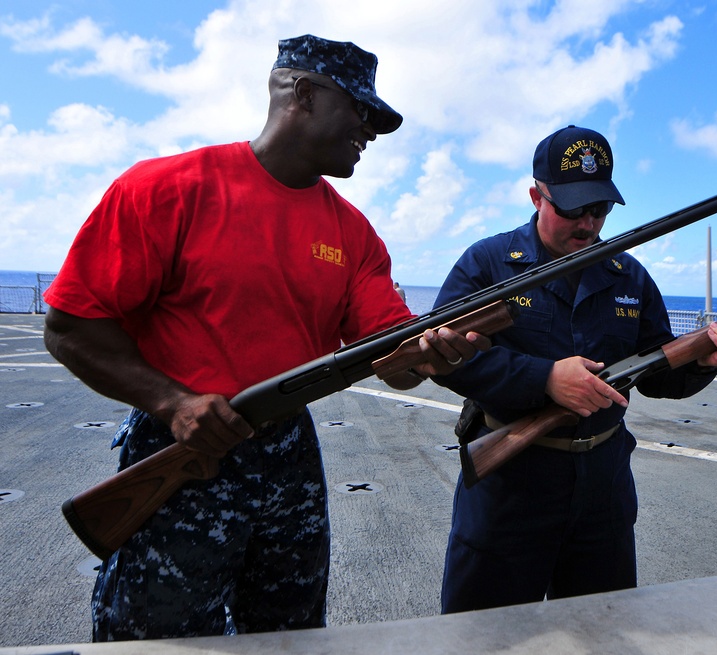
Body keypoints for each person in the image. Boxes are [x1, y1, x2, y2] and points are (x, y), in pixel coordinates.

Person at [43, 35, 489, 641]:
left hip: (288, 451)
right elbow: (70, 327)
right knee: (157, 638)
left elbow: (393, 354)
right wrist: (173, 404)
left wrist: (431, 351)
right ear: (303, 95)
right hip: (181, 447)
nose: (371, 133)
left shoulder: (353, 234)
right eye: (360, 112)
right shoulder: (169, 189)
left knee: (293, 634)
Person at [432, 125, 717, 613]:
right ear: (536, 196)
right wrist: (544, 378)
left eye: (599, 209)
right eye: (572, 209)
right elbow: (444, 361)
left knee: (602, 632)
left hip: (602, 491)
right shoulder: (488, 263)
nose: (588, 224)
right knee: (482, 637)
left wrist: (708, 360)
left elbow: (660, 377)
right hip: (510, 487)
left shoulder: (629, 276)